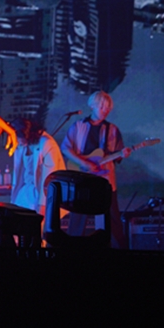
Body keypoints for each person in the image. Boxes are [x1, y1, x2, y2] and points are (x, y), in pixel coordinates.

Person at [60, 91, 127, 248]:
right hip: (82, 179)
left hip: (105, 180)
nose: (105, 110)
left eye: (108, 108)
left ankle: (120, 251)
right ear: (92, 106)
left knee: (112, 218)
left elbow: (117, 156)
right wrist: (84, 163)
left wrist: (123, 154)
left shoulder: (113, 130)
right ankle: (72, 251)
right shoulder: (78, 126)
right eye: (102, 107)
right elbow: (65, 148)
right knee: (78, 217)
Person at [9, 118, 65, 216]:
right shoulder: (21, 145)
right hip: (25, 193)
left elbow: (49, 177)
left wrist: (42, 205)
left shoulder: (47, 143)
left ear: (24, 133)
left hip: (41, 194)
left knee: (38, 222)